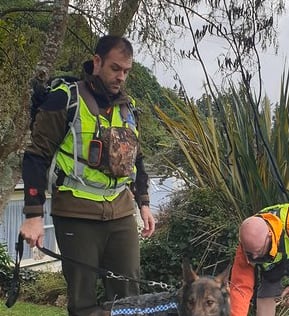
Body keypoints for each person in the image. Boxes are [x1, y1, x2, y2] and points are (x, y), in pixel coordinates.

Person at [20, 35, 155, 316]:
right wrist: (33, 215)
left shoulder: (128, 109)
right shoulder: (65, 99)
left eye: (126, 71)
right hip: (76, 214)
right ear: (97, 62)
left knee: (129, 299)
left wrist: (143, 202)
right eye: (115, 68)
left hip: (120, 213)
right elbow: (36, 156)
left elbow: (137, 159)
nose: (121, 77)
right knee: (83, 303)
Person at [230, 203, 289, 316]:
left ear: (270, 236)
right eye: (250, 254)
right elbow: (240, 287)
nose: (255, 257)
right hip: (274, 268)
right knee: (265, 296)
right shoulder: (247, 245)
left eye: (258, 251)